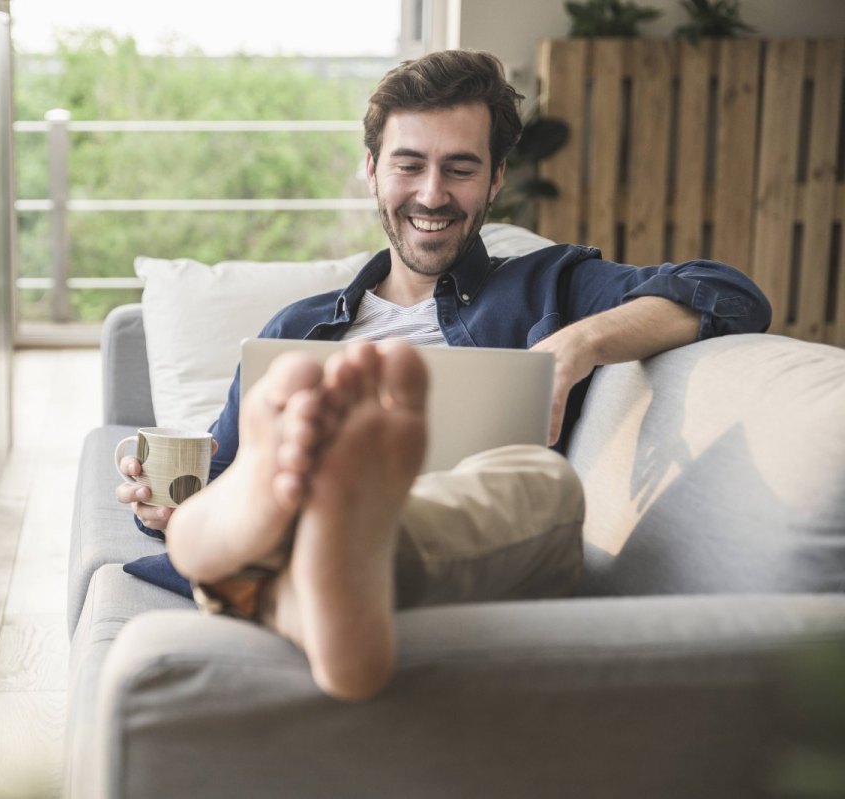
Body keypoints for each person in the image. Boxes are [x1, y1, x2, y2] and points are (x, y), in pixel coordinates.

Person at [115, 49, 771, 701]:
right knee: (237, 494)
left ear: (495, 180)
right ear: (372, 170)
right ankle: (316, 543)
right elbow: (217, 473)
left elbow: (727, 293)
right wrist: (164, 501)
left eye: (459, 169)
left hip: (474, 540)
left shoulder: (551, 283)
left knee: (541, 480)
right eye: (410, 165)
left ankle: (315, 543)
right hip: (315, 538)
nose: (433, 194)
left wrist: (577, 344)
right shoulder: (295, 332)